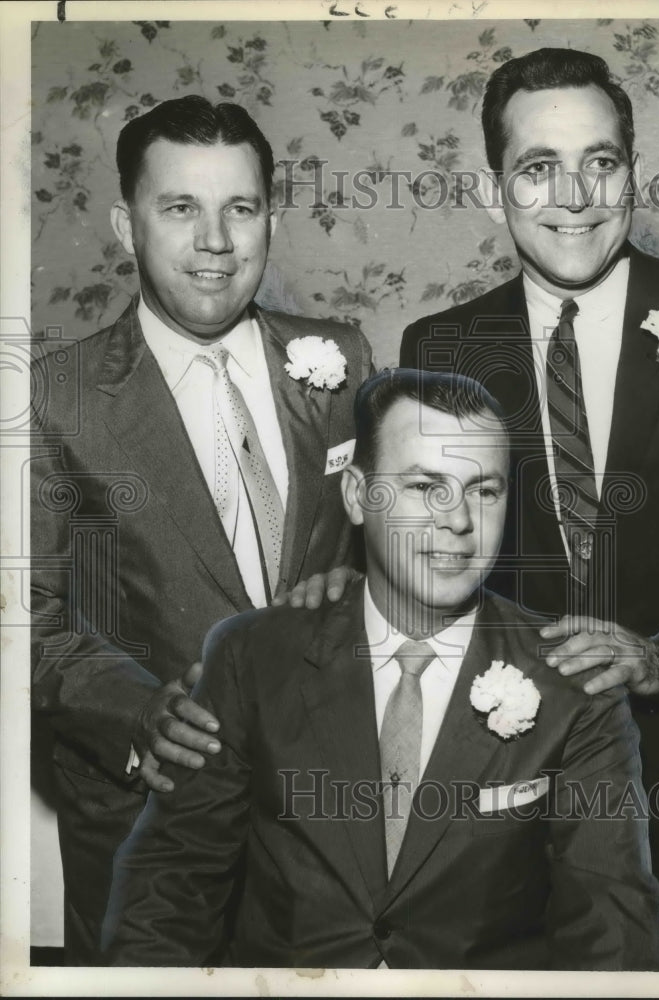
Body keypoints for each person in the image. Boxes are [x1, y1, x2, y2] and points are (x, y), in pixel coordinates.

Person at [400, 49, 659, 972]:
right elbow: (425, 565)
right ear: (493, 192)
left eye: (600, 162)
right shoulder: (438, 346)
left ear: (630, 175)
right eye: (537, 168)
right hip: (506, 787)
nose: (575, 194)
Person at [101, 368, 659, 969]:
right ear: (356, 495)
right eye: (425, 486)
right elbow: (169, 889)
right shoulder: (252, 656)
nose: (458, 522)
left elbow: (613, 926)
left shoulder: (575, 682)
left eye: (484, 490)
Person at [29, 95, 372, 965]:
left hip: (329, 826)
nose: (215, 241)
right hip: (144, 824)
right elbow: (26, 620)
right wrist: (140, 711)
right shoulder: (51, 397)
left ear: (268, 218)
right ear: (124, 223)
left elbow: (389, 559)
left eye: (241, 208)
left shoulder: (342, 360)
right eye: (180, 208)